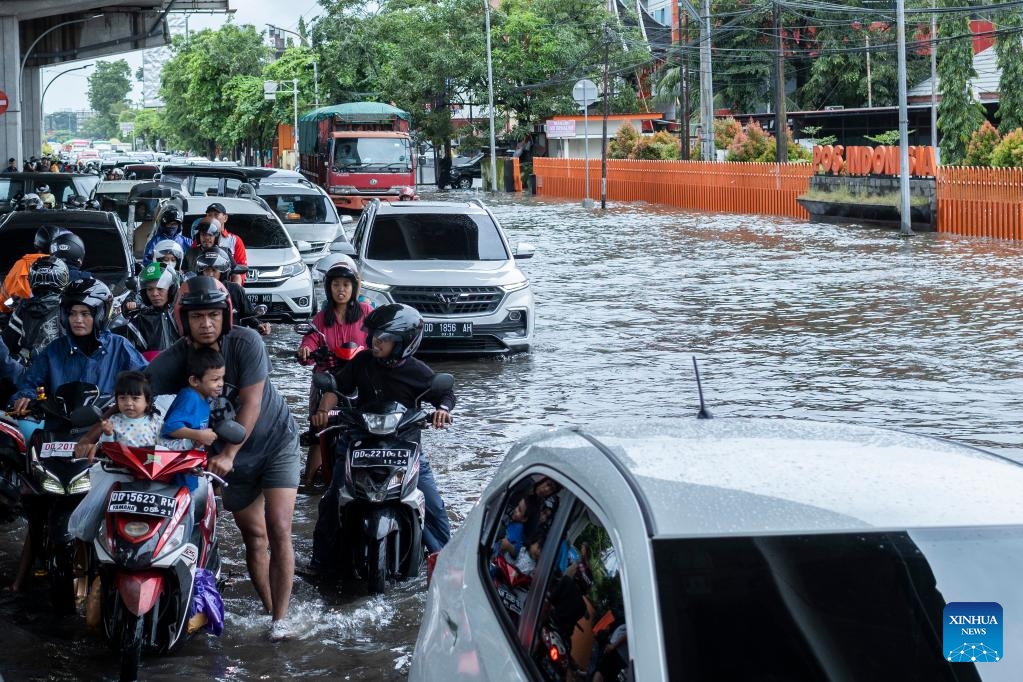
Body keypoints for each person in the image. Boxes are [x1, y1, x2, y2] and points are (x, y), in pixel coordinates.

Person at [146, 276, 299, 639]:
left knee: (278, 527)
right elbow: (136, 393)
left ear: (226, 316)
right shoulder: (175, 359)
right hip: (228, 462)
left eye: (213, 315)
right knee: (255, 536)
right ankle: (269, 611)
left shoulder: (247, 342)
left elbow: (251, 403)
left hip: (274, 442)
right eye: (197, 316)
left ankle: (281, 621)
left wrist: (229, 453)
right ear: (183, 320)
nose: (206, 324)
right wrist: (101, 427)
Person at [309, 303, 453, 574]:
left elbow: (444, 394)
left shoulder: (418, 371)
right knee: (331, 500)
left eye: (384, 338)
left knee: (433, 505)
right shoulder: (362, 362)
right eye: (375, 335)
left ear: (404, 343)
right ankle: (321, 564)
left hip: (405, 446)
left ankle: (446, 565)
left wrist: (442, 411)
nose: (376, 342)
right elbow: (336, 388)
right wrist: (323, 411)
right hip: (360, 443)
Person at [9, 278, 148, 417]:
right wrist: (27, 397)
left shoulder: (119, 346)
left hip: (107, 424)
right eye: (72, 313)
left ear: (100, 314)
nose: (78, 320)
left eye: (85, 314)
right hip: (60, 424)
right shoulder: (55, 349)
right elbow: (31, 383)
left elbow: (146, 381)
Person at [296, 255, 372, 487]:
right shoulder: (321, 318)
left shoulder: (367, 312)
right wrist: (306, 350)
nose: (341, 290)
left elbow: (380, 336)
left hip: (360, 377)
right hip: (327, 377)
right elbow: (310, 340)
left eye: (346, 285)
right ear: (329, 288)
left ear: (354, 287)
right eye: (336, 284)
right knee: (318, 426)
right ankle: (309, 480)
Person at [69, 371, 164, 542]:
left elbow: (164, 447)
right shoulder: (114, 421)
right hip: (118, 474)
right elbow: (108, 448)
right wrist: (107, 433)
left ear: (147, 401)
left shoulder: (155, 421)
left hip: (148, 476)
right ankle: (88, 545)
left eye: (135, 398)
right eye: (123, 398)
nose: (129, 403)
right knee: (92, 515)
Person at [2, 256, 70, 364]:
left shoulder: (23, 307)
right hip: (63, 366)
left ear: (32, 278)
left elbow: (8, 342)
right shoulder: (69, 307)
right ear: (62, 278)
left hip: (31, 367)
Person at [192, 247, 270, 335]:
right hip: (203, 336)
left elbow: (248, 315)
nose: (210, 274)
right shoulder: (193, 291)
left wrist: (260, 325)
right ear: (201, 271)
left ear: (222, 272)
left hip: (233, 337)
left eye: (214, 270)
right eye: (206, 270)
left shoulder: (235, 290)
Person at [160, 347, 224, 451]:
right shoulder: (190, 397)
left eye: (222, 378)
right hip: (174, 455)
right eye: (215, 379)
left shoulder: (204, 397)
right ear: (194, 381)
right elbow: (170, 427)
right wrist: (199, 435)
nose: (221, 384)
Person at [116, 261, 180, 359]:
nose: (154, 294)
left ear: (171, 289)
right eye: (149, 289)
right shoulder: (140, 319)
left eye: (160, 288)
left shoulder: (183, 314)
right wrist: (129, 305)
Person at [0, 225, 66, 314]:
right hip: (53, 317)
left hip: (19, 317)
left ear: (36, 244)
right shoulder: (62, 266)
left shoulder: (20, 264)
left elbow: (3, 303)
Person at [192, 203, 247, 283]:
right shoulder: (198, 242)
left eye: (216, 214)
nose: (212, 217)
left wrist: (235, 286)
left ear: (225, 218)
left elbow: (239, 270)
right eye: (209, 215)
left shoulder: (235, 240)